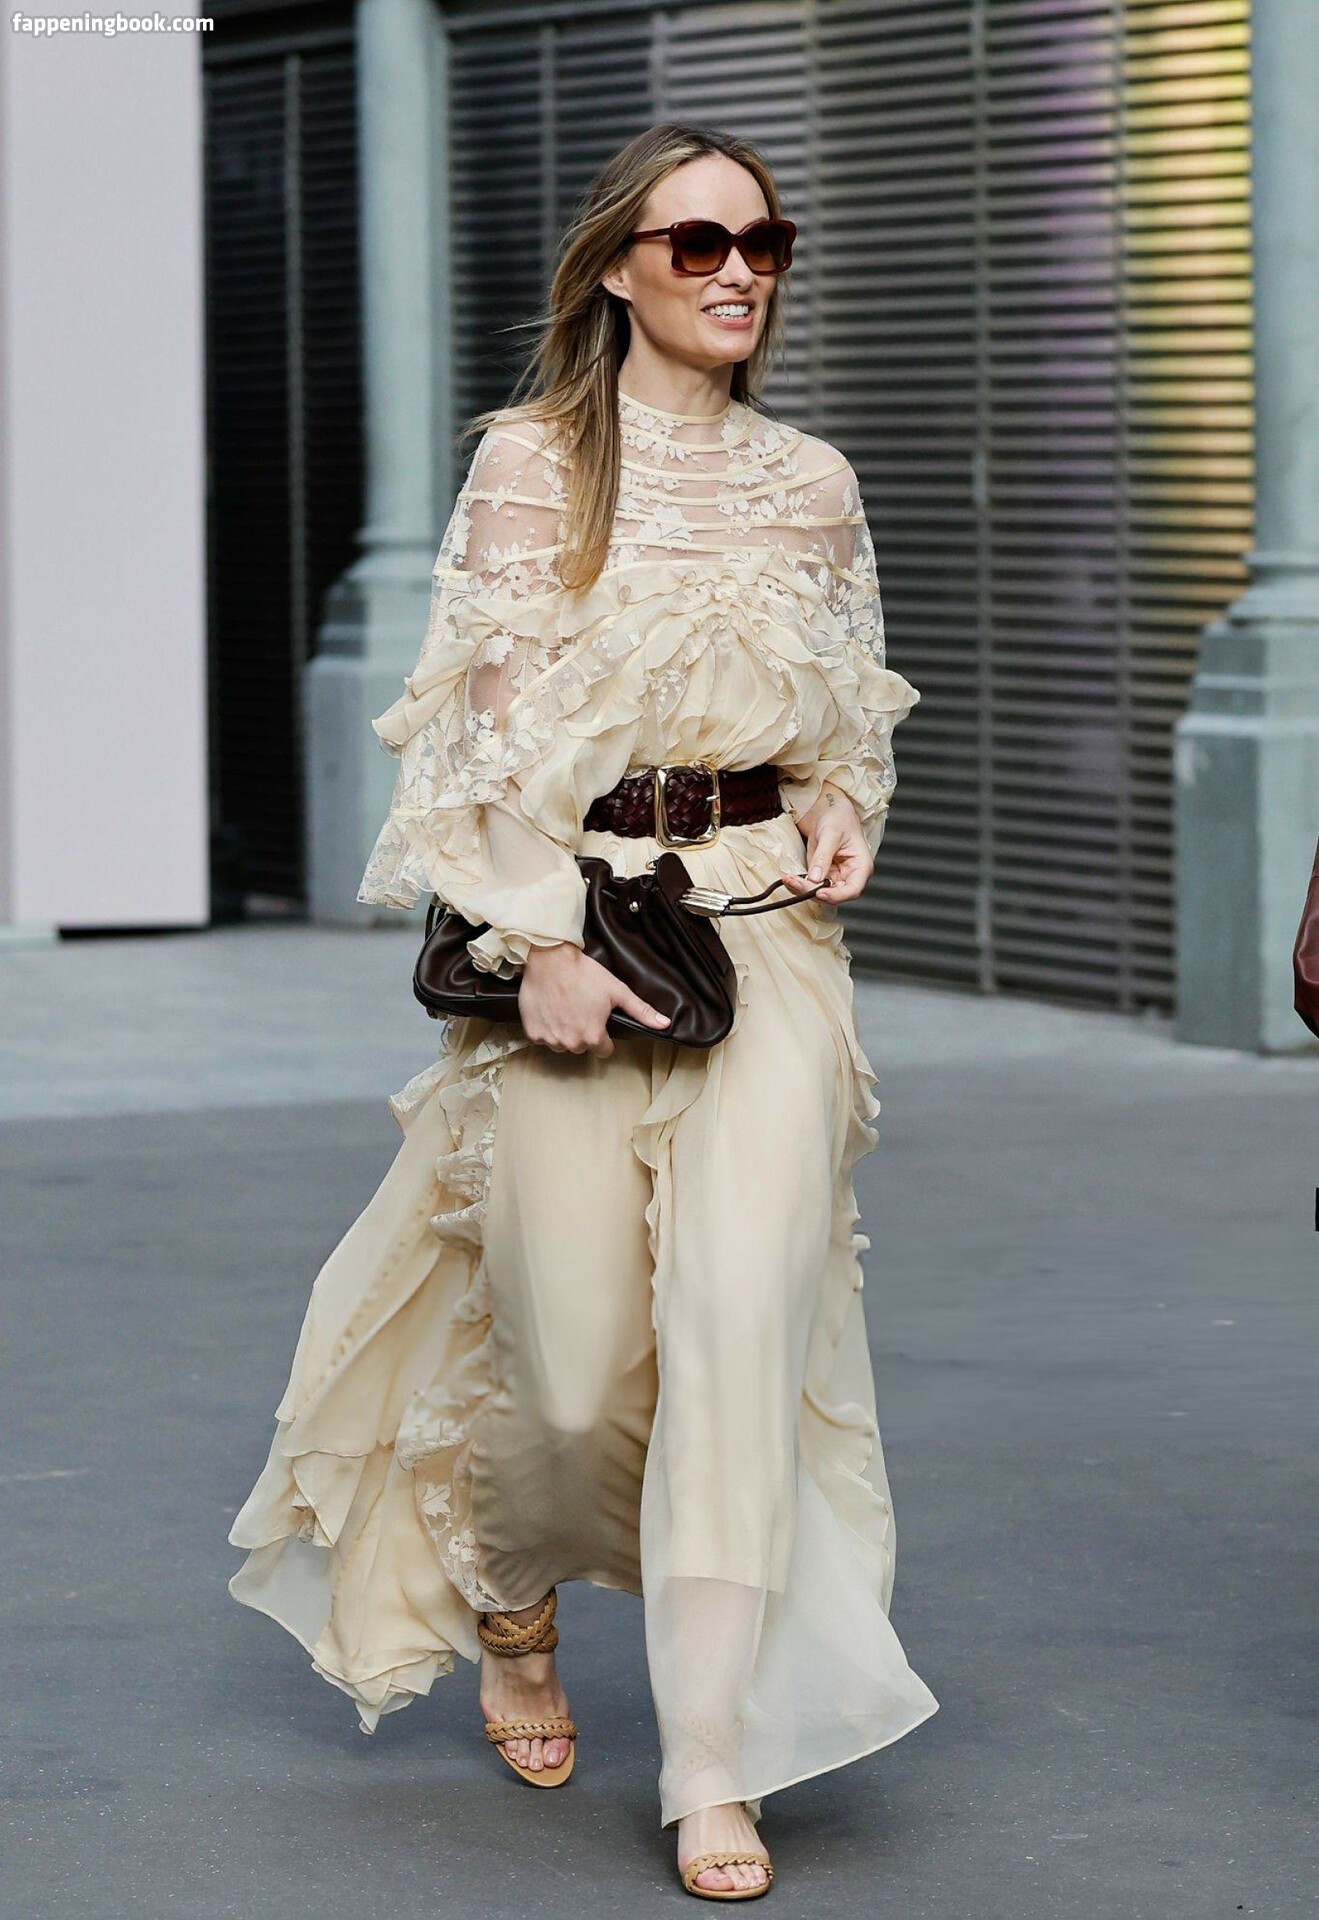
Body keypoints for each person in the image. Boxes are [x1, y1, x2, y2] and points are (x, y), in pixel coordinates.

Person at [226, 120, 938, 1902]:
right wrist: (537, 939)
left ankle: (712, 1764)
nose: (738, 273)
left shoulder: (814, 482)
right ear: (619, 267)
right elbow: (470, 744)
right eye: (698, 244)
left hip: (762, 936)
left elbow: (848, 706)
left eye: (765, 242)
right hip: (574, 928)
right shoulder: (534, 467)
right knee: (563, 1359)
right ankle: (513, 1595)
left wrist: (844, 802)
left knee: (738, 1328)